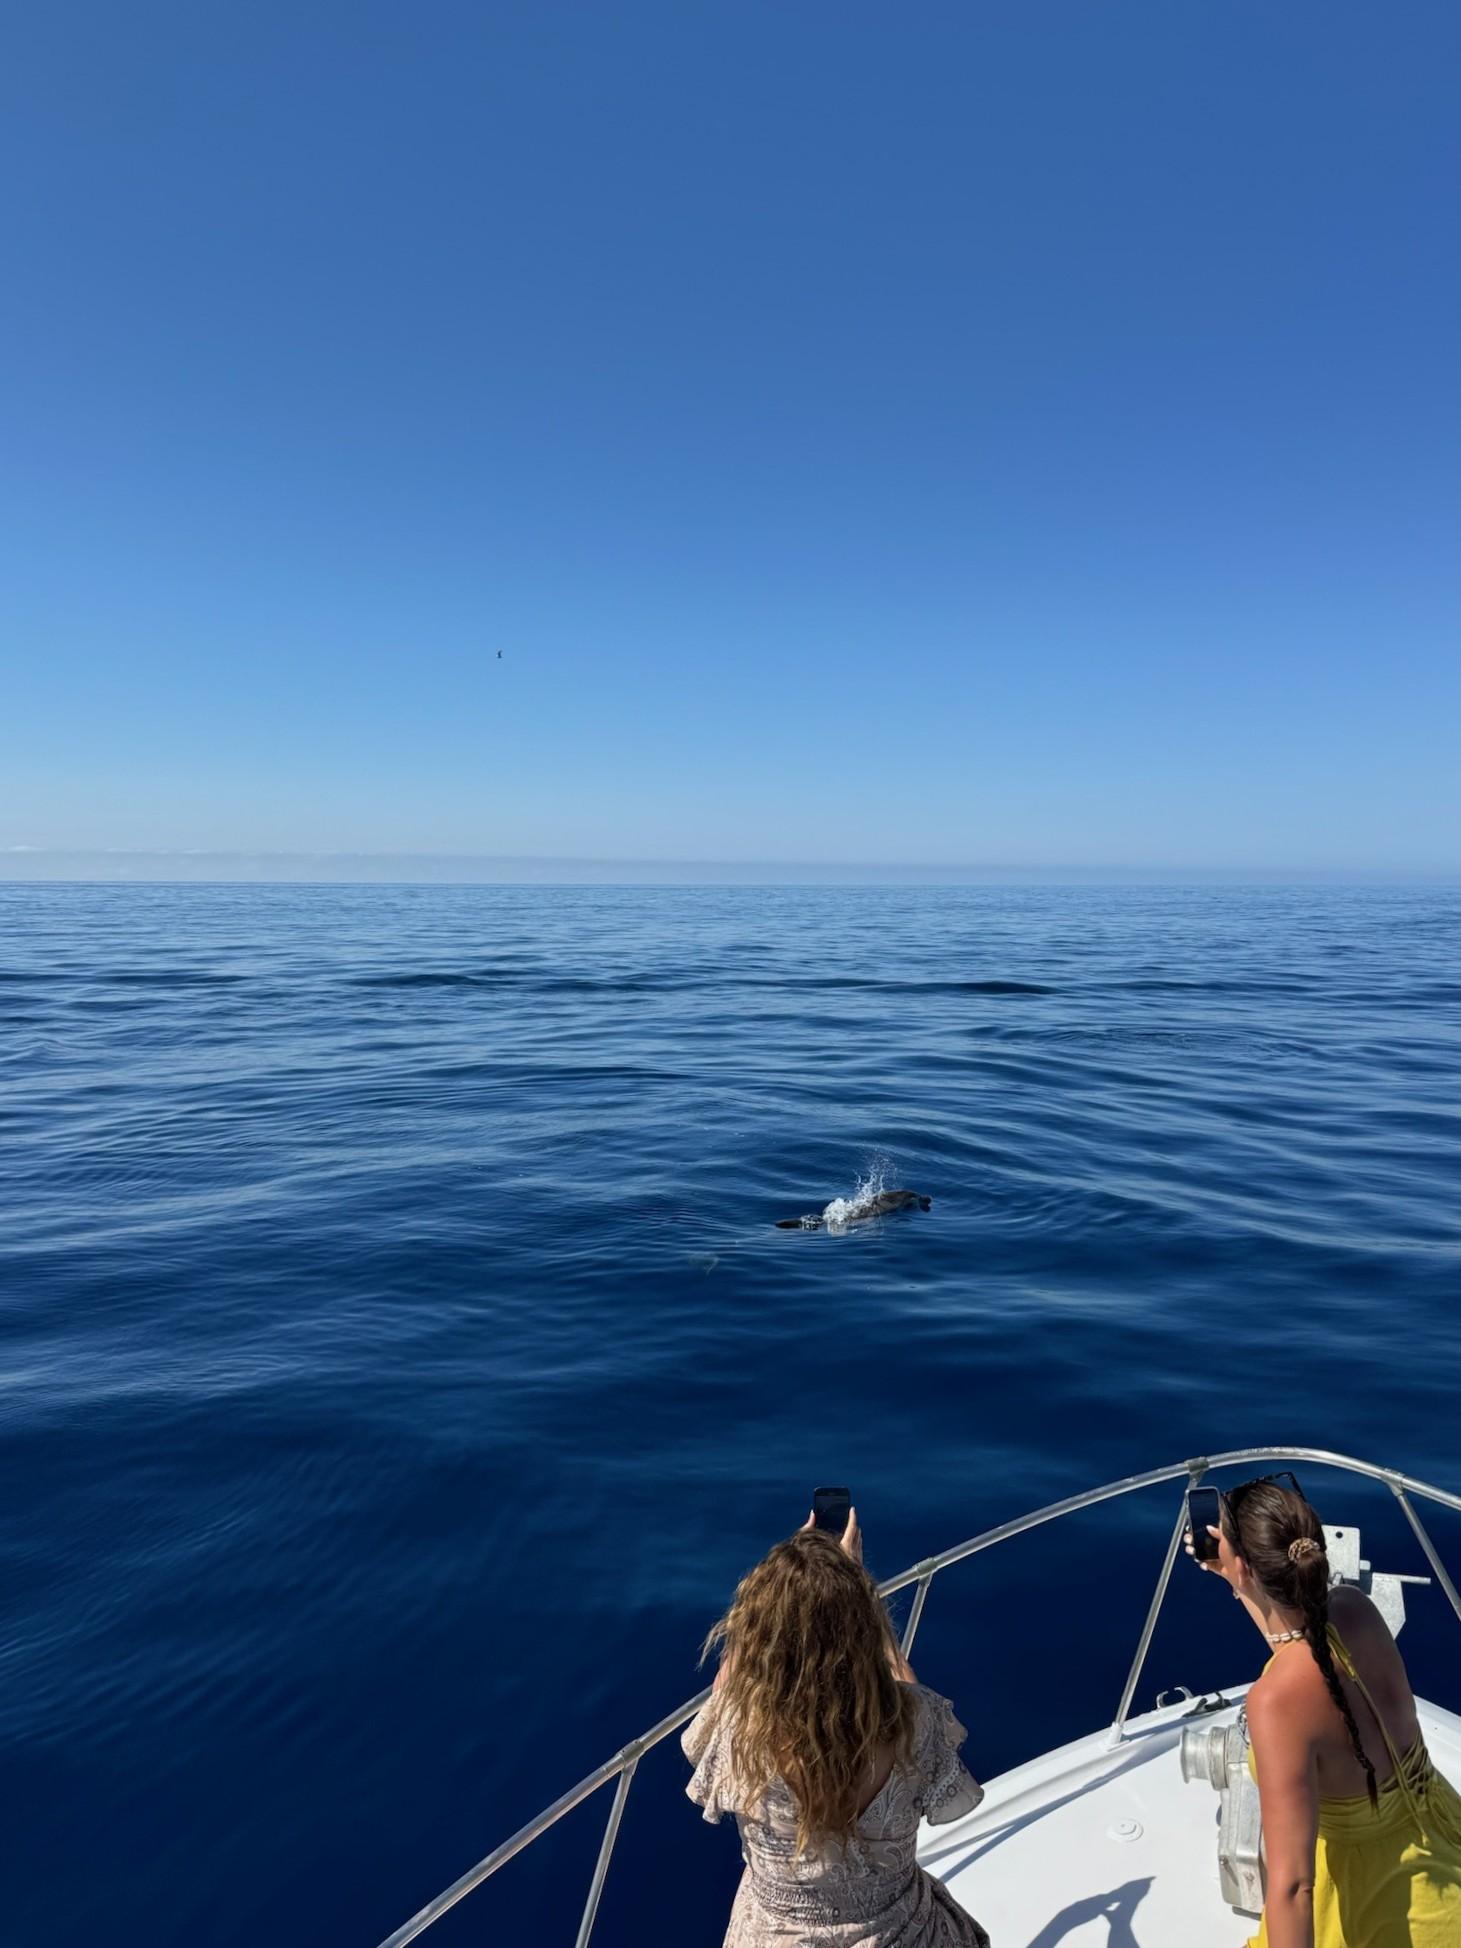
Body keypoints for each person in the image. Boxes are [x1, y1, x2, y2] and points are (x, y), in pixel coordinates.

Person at [682, 1507, 989, 1948]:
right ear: (866, 1629)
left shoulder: (736, 1726)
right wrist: (855, 1591)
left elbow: (730, 1676)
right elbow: (899, 1675)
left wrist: (783, 1590)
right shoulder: (916, 1723)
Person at [1186, 1472, 1461, 1947]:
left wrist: (1233, 1574)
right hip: (1442, 1847)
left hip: (1377, 1909)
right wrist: (1232, 1570)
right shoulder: (1356, 1610)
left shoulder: (1275, 1702)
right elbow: (1302, 1640)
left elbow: (1294, 1886)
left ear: (1246, 1570)